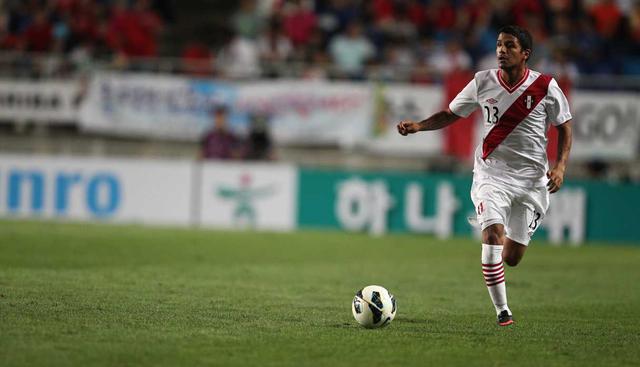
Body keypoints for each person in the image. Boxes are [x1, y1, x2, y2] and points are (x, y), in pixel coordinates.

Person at [397, 25, 572, 326]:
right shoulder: (482, 81)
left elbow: (565, 126)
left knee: (512, 257)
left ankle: (496, 238)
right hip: (491, 173)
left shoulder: (545, 87)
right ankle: (502, 311)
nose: (501, 51)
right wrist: (419, 126)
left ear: (525, 53)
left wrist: (560, 166)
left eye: (509, 46)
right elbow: (451, 113)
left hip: (531, 180)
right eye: (499, 45)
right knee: (492, 235)